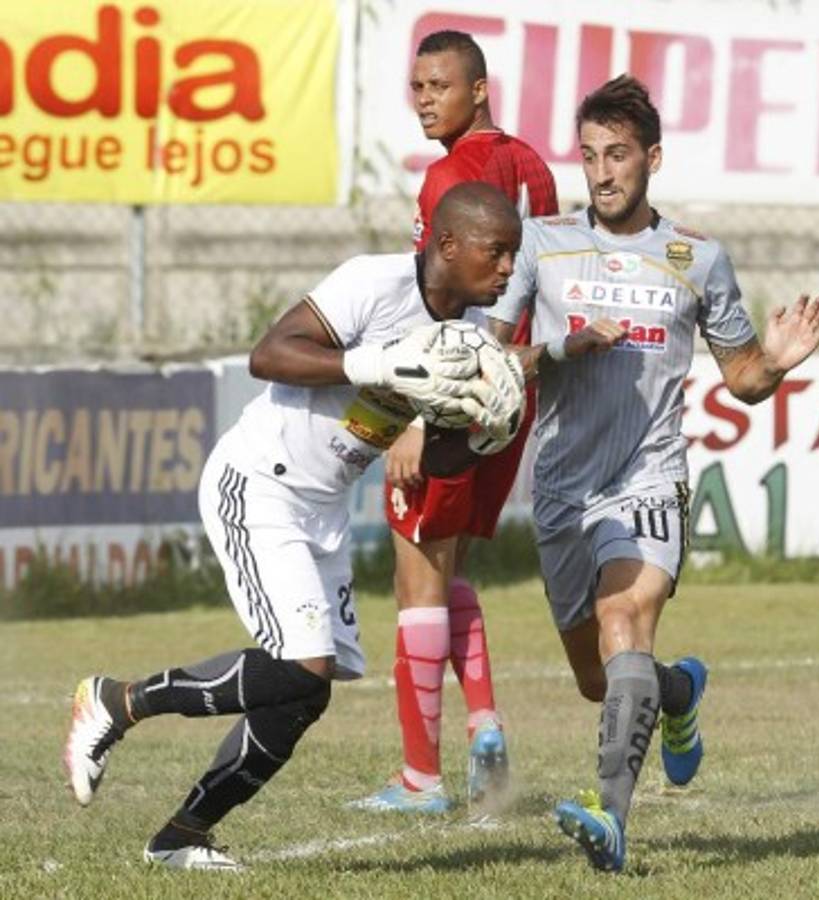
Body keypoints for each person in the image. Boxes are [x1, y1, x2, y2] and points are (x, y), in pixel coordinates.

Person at [62, 182, 525, 871]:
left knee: (304, 696)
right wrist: (371, 361)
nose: (510, 269)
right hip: (258, 485)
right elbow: (270, 353)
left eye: (514, 255)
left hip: (323, 511)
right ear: (448, 245)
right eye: (498, 252)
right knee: (301, 665)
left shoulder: (464, 340)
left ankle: (181, 837)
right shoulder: (372, 282)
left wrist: (486, 439)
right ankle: (116, 702)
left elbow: (430, 454)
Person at [488, 75, 819, 872]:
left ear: (653, 158)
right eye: (590, 157)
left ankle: (612, 823)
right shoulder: (543, 244)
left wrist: (773, 364)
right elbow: (491, 357)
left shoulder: (697, 258)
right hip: (562, 493)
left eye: (618, 155)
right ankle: (678, 695)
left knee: (624, 622)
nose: (602, 172)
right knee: (600, 680)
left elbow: (741, 375)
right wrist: (560, 349)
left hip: (649, 481)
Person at [352, 29, 559, 815]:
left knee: (416, 580)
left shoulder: (452, 176)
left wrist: (414, 418)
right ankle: (482, 729)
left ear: (479, 89)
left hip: (458, 393)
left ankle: (420, 779)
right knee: (447, 568)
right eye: (416, 87)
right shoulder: (531, 163)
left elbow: (447, 307)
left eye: (438, 85)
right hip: (514, 391)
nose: (423, 100)